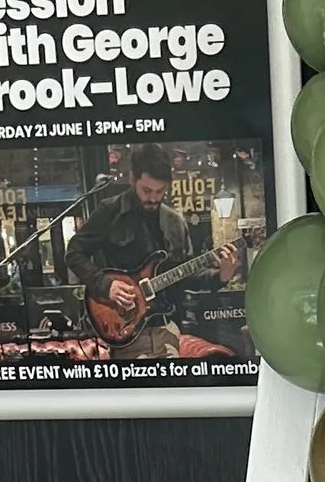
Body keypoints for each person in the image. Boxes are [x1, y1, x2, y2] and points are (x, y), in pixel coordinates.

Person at [71, 145, 237, 357]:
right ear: (133, 179)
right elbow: (74, 253)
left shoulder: (174, 222)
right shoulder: (110, 212)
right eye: (147, 190)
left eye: (160, 191)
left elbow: (185, 276)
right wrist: (106, 285)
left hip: (167, 329)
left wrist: (221, 276)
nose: (153, 198)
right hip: (127, 331)